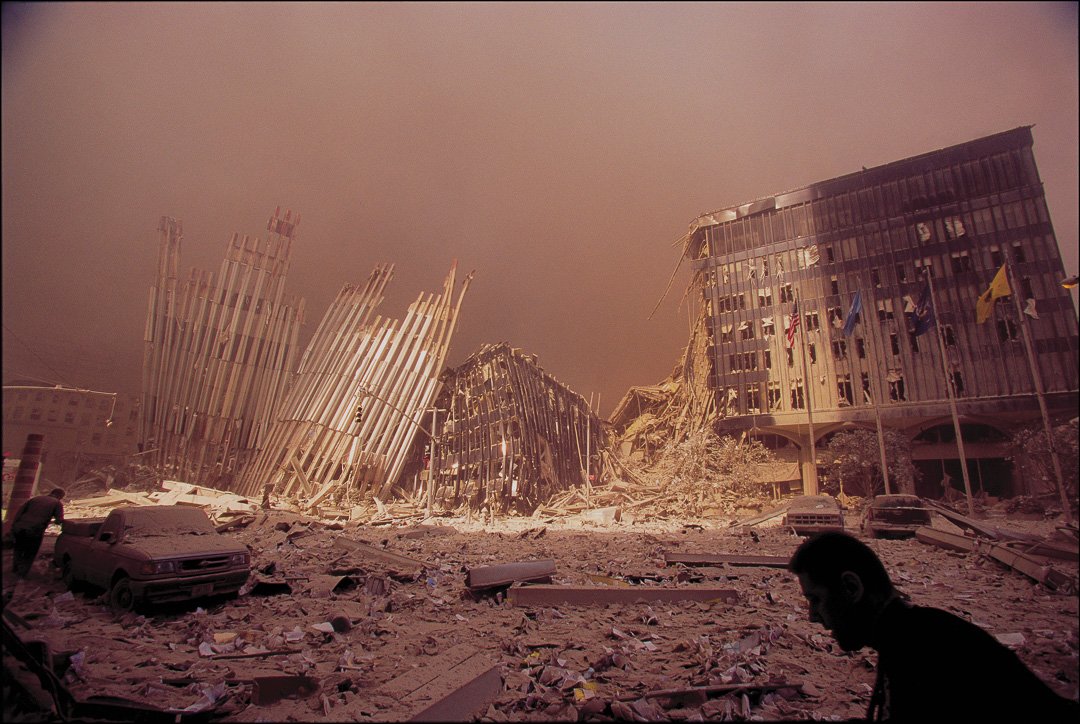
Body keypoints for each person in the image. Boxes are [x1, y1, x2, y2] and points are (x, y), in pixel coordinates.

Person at [789, 531, 1078, 721]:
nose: (813, 616)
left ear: (852, 588)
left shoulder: (926, 654)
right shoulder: (914, 636)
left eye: (816, 599)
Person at [10, 487, 65, 577]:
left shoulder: (35, 499)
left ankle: (15, 568)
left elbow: (19, 513)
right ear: (59, 496)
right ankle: (22, 573)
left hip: (20, 527)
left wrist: (13, 527)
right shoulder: (57, 503)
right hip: (35, 530)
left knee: (19, 548)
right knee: (30, 551)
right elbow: (59, 520)